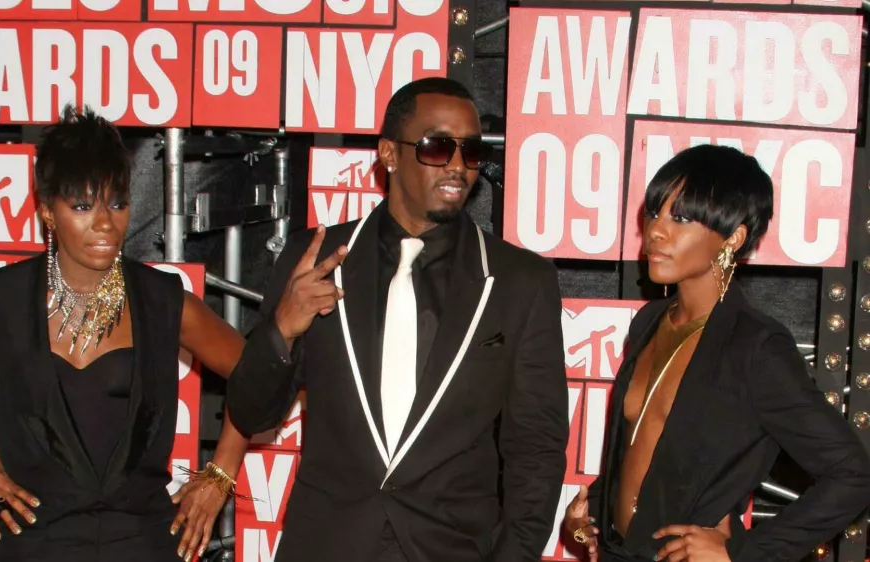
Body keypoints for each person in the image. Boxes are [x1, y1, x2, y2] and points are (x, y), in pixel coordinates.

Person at [0, 105, 252, 562]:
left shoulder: (162, 300)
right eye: (82, 205)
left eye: (117, 203)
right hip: (37, 545)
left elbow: (257, 374)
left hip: (143, 545)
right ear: (47, 211)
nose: (105, 223)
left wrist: (221, 474)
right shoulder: (4, 298)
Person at [226, 77, 569, 562]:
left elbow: (536, 448)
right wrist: (282, 328)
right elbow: (251, 412)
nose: (457, 166)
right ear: (388, 154)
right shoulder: (314, 257)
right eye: (437, 147)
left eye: (471, 151)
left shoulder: (519, 281)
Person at [564, 144, 870, 562]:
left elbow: (852, 475)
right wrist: (593, 514)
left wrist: (744, 554)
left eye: (682, 218)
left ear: (734, 236)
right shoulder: (649, 322)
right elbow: (647, 452)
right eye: (655, 212)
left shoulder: (755, 347)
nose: (656, 230)